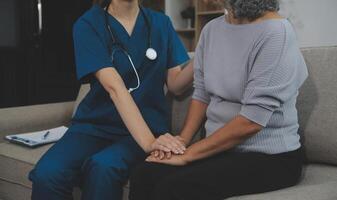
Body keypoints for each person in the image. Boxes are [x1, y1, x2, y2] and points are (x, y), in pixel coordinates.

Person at [129, 0, 308, 199]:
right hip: (220, 151)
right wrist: (181, 142)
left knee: (175, 189)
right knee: (145, 173)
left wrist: (188, 155)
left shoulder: (277, 33)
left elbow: (251, 122)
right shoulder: (212, 30)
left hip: (271, 158)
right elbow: (202, 93)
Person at [28, 0, 194, 199]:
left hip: (145, 127)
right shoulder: (89, 24)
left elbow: (175, 84)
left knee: (103, 168)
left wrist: (201, 56)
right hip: (94, 126)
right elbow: (114, 87)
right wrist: (150, 143)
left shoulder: (161, 23)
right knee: (47, 174)